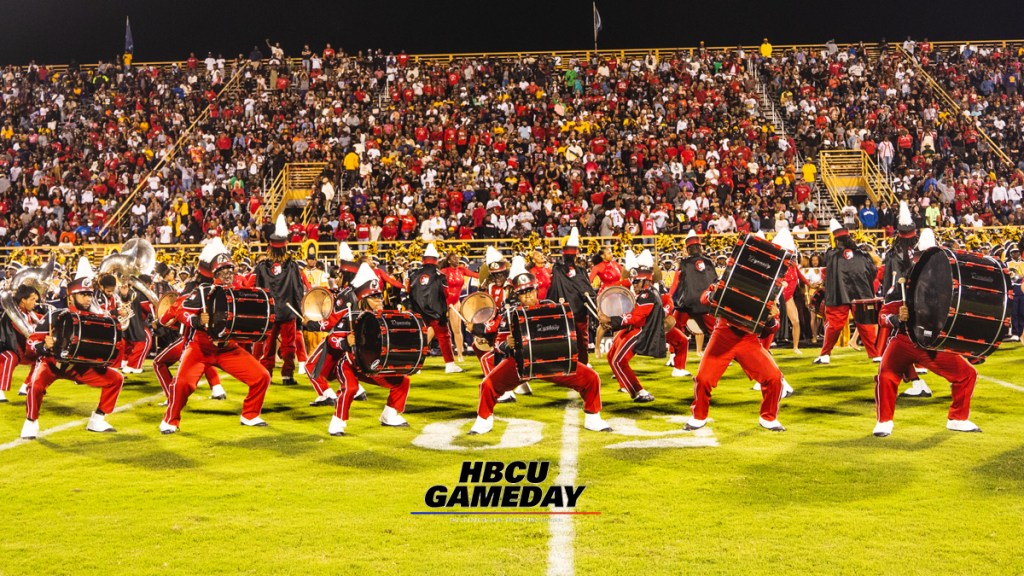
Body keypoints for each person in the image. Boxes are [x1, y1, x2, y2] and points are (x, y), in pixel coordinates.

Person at [468, 267, 611, 435]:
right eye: (523, 293)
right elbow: (499, 344)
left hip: (552, 360)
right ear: (517, 295)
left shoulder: (550, 306)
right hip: (519, 363)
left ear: (536, 289)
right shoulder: (509, 313)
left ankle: (593, 418)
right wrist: (508, 344)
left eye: (530, 290)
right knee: (488, 385)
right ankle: (483, 421)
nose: (528, 296)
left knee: (591, 378)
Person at [872, 227, 980, 437]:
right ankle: (884, 422)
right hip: (904, 340)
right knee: (886, 375)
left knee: (967, 374)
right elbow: (882, 317)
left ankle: (958, 419)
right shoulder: (902, 286)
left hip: (933, 343)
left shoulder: (948, 286)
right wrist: (896, 318)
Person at [159, 244, 272, 434]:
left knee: (262, 377)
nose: (227, 273)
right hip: (200, 348)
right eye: (222, 270)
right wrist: (195, 320)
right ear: (214, 273)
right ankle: (170, 420)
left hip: (228, 348)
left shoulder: (239, 291)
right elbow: (182, 311)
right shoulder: (203, 291)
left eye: (229, 269)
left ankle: (250, 415)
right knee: (183, 384)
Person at [20, 258, 125, 439]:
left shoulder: (97, 317)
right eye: (83, 294)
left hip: (79, 366)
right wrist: (43, 345)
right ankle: (31, 421)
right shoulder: (56, 315)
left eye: (89, 294)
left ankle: (97, 419)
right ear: (71, 296)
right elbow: (31, 341)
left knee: (116, 378)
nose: (87, 298)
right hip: (52, 363)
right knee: (35, 385)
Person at [311, 263, 412, 436]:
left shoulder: (382, 317)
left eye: (380, 296)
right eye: (374, 297)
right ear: (364, 298)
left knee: (402, 382)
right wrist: (345, 342)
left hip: (370, 365)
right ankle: (337, 423)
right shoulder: (352, 316)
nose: (379, 300)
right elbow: (332, 339)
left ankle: (390, 415)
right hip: (349, 364)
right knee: (350, 388)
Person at [685, 274, 787, 432]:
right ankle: (698, 416)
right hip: (724, 334)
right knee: (703, 378)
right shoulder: (732, 277)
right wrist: (713, 295)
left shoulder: (769, 293)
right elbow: (705, 297)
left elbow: (772, 328)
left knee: (774, 377)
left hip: (748, 338)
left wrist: (770, 319)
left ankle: (768, 417)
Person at [878, 202, 932, 397]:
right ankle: (918, 382)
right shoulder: (924, 251)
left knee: (897, 344)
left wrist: (888, 300)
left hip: (904, 303)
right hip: (927, 303)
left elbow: (891, 282)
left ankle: (918, 383)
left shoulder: (895, 253)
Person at [813, 219, 882, 365]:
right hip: (861, 292)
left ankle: (825, 355)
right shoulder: (862, 253)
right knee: (865, 324)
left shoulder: (831, 254)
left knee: (833, 326)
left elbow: (826, 274)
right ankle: (875, 354)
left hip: (839, 293)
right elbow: (873, 271)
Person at [600, 250, 664, 402]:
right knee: (611, 356)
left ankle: (639, 391)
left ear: (646, 281)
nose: (633, 285)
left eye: (636, 282)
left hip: (640, 332)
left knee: (618, 361)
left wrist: (610, 319)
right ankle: (625, 384)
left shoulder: (648, 294)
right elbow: (622, 287)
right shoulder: (643, 291)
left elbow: (636, 317)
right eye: (634, 281)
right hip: (631, 329)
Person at [255, 215, 309, 385]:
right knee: (289, 346)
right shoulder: (292, 265)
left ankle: (267, 374)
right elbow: (298, 289)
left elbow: (259, 292)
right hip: (288, 311)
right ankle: (287, 375)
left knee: (268, 346)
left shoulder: (262, 266)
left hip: (270, 312)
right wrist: (300, 312)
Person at [668, 230, 719, 376]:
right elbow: (715, 282)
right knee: (716, 331)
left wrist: (670, 297)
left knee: (675, 329)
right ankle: (722, 355)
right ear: (700, 247)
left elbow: (676, 282)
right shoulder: (709, 262)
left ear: (688, 249)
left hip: (687, 302)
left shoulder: (683, 263)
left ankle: (674, 360)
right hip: (705, 302)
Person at [407, 243, 462, 373]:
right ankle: (450, 364)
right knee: (444, 336)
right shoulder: (440, 275)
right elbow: (446, 293)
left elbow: (409, 290)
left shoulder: (414, 274)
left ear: (423, 260)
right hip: (436, 312)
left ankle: (416, 365)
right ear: (436, 260)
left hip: (418, 311)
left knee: (420, 337)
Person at [546, 227, 597, 367]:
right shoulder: (579, 271)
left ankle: (568, 366)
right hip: (578, 313)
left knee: (565, 341)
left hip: (565, 312)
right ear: (576, 255)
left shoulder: (557, 269)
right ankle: (582, 365)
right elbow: (588, 291)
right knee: (581, 342)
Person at [0, 283, 42, 403]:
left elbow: (42, 320)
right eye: (32, 299)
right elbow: (21, 330)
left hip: (23, 351)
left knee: (42, 359)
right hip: (7, 349)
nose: (35, 303)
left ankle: (26, 386)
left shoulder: (31, 314)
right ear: (23, 300)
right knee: (10, 358)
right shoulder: (12, 314)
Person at [440, 251, 478, 363]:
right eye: (454, 258)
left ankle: (460, 354)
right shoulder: (444, 271)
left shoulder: (462, 270)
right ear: (449, 261)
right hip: (443, 303)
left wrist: (487, 273)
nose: (456, 260)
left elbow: (475, 275)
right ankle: (422, 350)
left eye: (457, 258)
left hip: (455, 302)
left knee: (457, 329)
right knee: (434, 329)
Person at [589, 246, 625, 359]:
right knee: (604, 323)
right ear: (602, 256)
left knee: (618, 323)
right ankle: (597, 347)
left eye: (611, 252)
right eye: (609, 253)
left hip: (617, 295)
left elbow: (624, 276)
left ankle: (616, 348)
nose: (611, 254)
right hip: (605, 296)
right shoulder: (598, 267)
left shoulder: (616, 264)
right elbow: (589, 281)